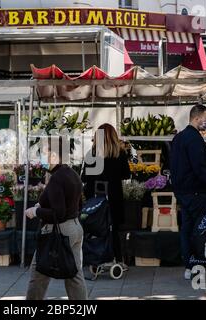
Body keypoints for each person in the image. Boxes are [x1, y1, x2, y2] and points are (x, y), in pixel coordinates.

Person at [170, 104, 206, 280]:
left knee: (187, 230)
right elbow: (200, 169)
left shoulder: (179, 138)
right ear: (196, 118)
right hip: (196, 193)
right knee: (201, 231)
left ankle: (190, 268)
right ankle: (203, 268)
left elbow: (174, 166)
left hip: (183, 193)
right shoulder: (194, 139)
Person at [25, 136, 88, 300]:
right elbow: (77, 204)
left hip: (58, 232)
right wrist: (42, 206)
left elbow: (58, 214)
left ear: (54, 155)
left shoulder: (57, 179)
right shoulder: (72, 174)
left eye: (44, 152)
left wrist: (36, 212)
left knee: (38, 275)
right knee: (74, 275)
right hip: (75, 228)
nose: (41, 156)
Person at [81, 123, 131, 265]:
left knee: (95, 228)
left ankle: (95, 256)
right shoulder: (119, 153)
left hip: (95, 199)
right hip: (114, 197)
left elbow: (84, 177)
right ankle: (117, 258)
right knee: (113, 229)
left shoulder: (92, 154)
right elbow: (126, 174)